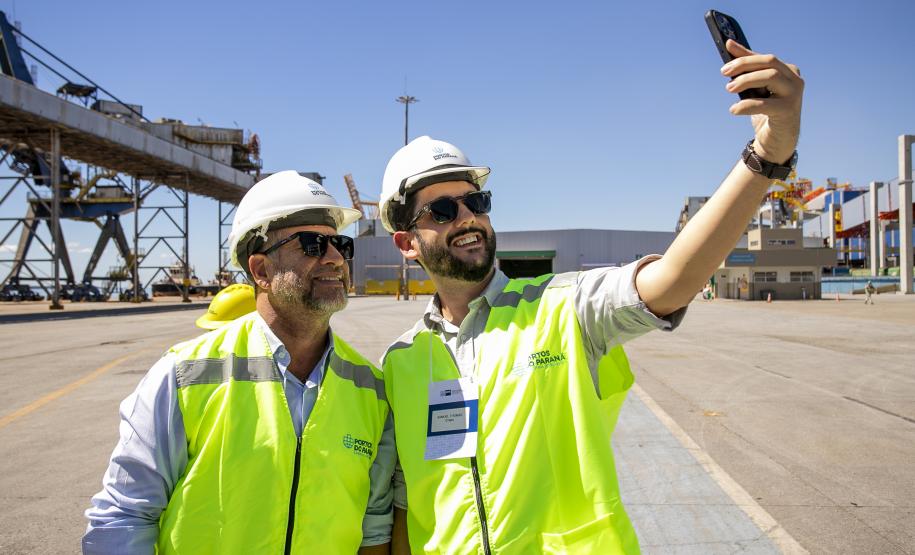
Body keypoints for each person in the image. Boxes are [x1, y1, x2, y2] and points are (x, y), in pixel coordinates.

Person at [379, 38, 803, 554]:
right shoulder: (399, 365)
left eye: (476, 202)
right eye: (442, 211)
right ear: (406, 243)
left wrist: (766, 155)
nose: (467, 218)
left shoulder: (564, 309)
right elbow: (406, 506)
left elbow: (672, 280)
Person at [84, 171, 396, 554]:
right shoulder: (186, 374)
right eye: (313, 245)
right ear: (261, 271)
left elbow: (374, 525)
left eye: (340, 245)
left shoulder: (370, 387)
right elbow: (124, 516)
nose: (334, 259)